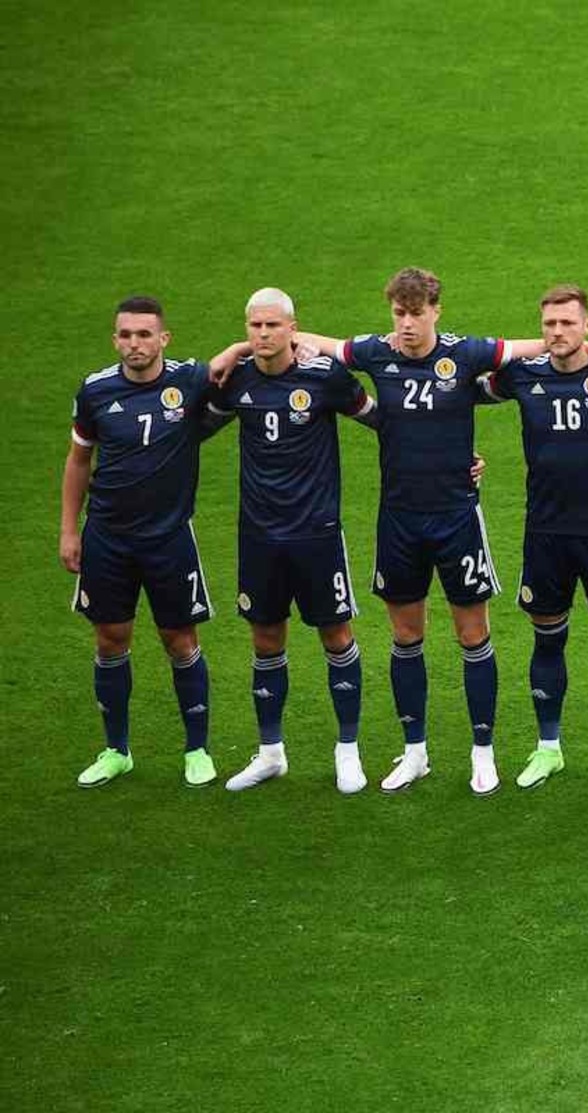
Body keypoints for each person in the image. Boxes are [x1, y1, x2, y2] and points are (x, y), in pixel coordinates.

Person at [282, 267, 550, 795]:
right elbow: (322, 343)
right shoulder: (375, 352)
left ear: (435, 312)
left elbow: (541, 344)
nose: (406, 324)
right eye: (399, 314)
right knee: (406, 637)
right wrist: (260, 345)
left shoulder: (466, 353)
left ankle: (483, 753)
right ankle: (415, 753)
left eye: (416, 314)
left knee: (473, 636)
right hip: (399, 520)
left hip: (456, 519)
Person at [203, 288, 382, 794]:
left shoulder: (325, 377)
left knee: (337, 637)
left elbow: (383, 422)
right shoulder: (235, 380)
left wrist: (453, 457)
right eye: (254, 327)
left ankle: (347, 751)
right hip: (258, 537)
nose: (263, 334)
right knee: (265, 641)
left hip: (317, 534)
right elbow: (189, 429)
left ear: (292, 327)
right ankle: (270, 753)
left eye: (272, 326)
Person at [477, 286, 588, 788]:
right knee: (547, 639)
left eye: (567, 324)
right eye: (549, 324)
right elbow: (458, 386)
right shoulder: (520, 376)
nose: (557, 332)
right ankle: (548, 747)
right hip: (545, 534)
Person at [61, 296, 218, 789]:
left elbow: (232, 373)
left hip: (169, 538)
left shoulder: (189, 381)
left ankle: (197, 750)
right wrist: (69, 529)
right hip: (107, 538)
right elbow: (78, 461)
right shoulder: (95, 391)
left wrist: (242, 345)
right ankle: (116, 750)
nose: (135, 344)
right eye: (126, 335)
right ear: (115, 340)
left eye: (144, 334)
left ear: (163, 339)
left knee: (180, 640)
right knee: (111, 640)